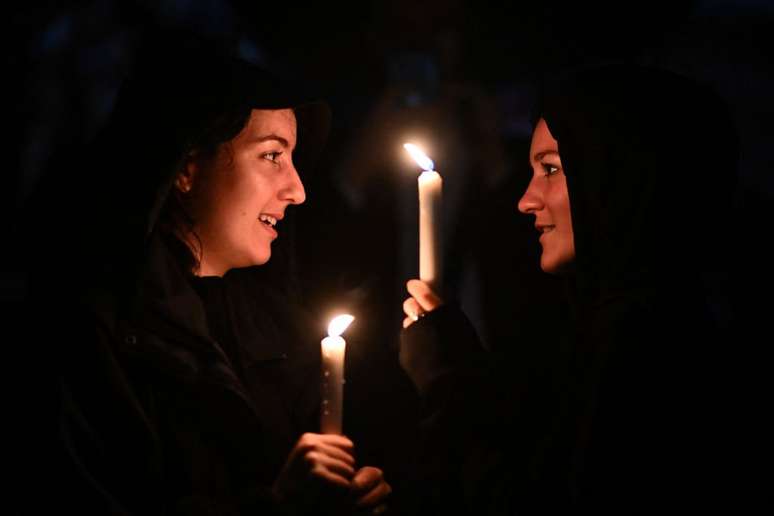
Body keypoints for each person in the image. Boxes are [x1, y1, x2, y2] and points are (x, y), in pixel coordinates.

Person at [16, 30, 391, 515]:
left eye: (294, 160)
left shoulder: (276, 330)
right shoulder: (90, 334)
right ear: (187, 167)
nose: (297, 190)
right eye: (273, 156)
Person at [398, 64, 744, 513]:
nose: (526, 200)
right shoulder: (604, 323)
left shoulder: (647, 346)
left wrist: (451, 387)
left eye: (552, 168)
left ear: (618, 173)